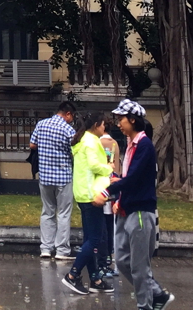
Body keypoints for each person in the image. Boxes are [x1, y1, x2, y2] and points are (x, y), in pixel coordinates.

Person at [94, 99, 174, 310]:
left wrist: (107, 192)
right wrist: (117, 190)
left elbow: (134, 179)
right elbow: (128, 178)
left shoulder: (144, 145)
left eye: (121, 119)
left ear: (132, 119)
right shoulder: (130, 145)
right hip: (125, 209)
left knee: (139, 266)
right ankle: (156, 294)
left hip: (139, 211)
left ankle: (145, 305)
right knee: (121, 261)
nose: (118, 123)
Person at [62, 112, 115, 295]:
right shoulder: (92, 141)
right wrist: (109, 168)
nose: (104, 128)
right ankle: (73, 275)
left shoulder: (83, 140)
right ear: (97, 125)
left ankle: (95, 279)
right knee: (95, 238)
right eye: (103, 125)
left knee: (90, 238)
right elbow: (94, 165)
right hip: (92, 194)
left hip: (83, 193)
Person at [30, 101, 77, 261]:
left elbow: (32, 144)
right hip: (63, 176)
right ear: (68, 114)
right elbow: (74, 149)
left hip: (45, 175)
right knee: (63, 213)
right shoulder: (68, 129)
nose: (72, 120)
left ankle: (46, 248)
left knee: (47, 211)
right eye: (72, 117)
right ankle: (62, 250)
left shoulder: (41, 124)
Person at [99, 121, 121, 277]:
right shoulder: (115, 144)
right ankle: (108, 256)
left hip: (100, 187)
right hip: (113, 186)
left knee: (101, 226)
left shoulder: (97, 143)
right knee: (110, 223)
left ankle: (102, 257)